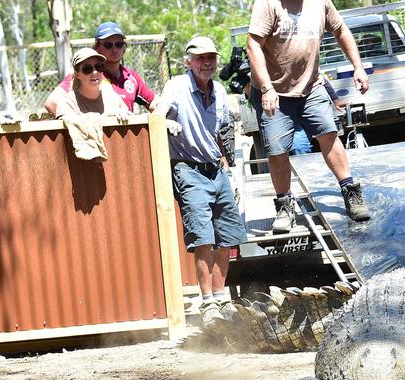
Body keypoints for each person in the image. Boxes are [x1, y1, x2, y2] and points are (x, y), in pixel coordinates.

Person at [247, 0, 372, 233]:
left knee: (329, 134)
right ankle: (284, 205)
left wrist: (358, 66)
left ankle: (350, 192)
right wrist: (265, 88)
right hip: (273, 89)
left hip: (311, 86)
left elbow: (341, 29)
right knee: (276, 150)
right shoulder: (268, 4)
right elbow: (253, 45)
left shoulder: (321, 2)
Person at [154, 36, 248, 324]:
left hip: (216, 169)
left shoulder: (219, 90)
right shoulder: (176, 86)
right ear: (189, 61)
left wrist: (229, 166)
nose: (206, 63)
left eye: (211, 58)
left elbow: (223, 131)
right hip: (187, 168)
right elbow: (157, 111)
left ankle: (221, 297)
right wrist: (163, 121)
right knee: (203, 237)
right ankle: (207, 303)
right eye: (200, 58)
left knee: (228, 235)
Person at [44, 22, 157, 116]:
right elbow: (52, 103)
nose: (114, 49)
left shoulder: (131, 77)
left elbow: (154, 103)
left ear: (124, 47)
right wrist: (86, 124)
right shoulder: (87, 74)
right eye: (108, 45)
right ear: (97, 47)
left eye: (118, 44)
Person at [49, 48, 131, 118]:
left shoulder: (112, 97)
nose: (95, 72)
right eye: (87, 69)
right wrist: (107, 118)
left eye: (99, 67)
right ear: (77, 74)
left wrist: (123, 115)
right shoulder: (68, 103)